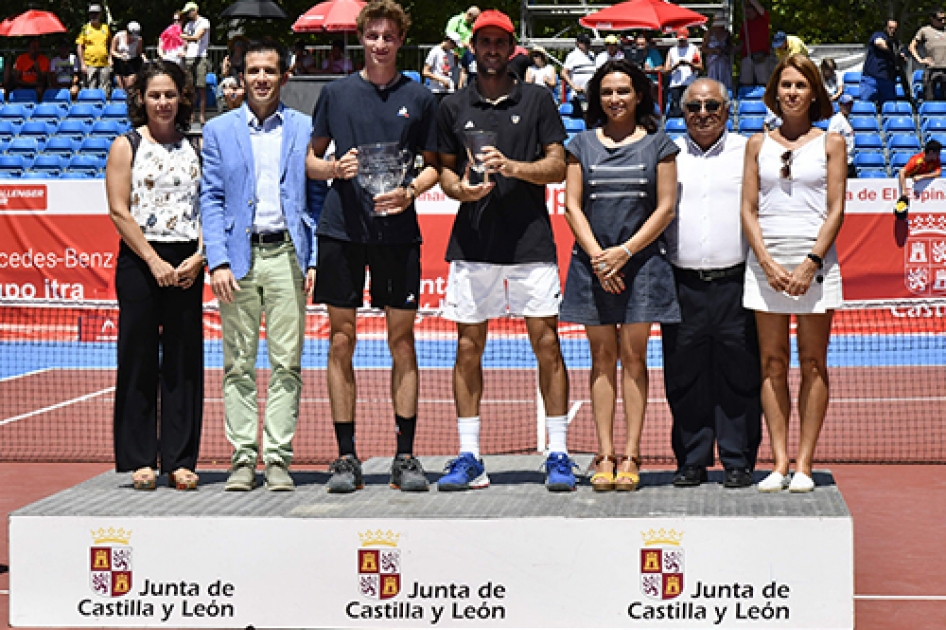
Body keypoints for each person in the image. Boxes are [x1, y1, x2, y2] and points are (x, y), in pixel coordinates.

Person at [435, 9, 575, 492]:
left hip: (531, 241)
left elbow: (557, 166)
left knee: (548, 346)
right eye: (484, 42)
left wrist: (513, 167)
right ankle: (470, 456)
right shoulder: (453, 105)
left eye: (500, 42)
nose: (491, 49)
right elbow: (446, 171)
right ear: (472, 48)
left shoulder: (537, 99)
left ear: (512, 47)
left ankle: (558, 453)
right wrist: (461, 191)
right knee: (468, 347)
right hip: (474, 242)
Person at [307, 0, 440, 494]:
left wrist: (411, 191)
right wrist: (333, 169)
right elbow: (311, 161)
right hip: (342, 231)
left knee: (401, 343)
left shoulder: (422, 98)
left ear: (400, 40)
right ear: (360, 38)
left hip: (397, 232)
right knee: (341, 341)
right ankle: (345, 457)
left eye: (388, 36)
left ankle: (405, 456)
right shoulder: (336, 94)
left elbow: (434, 165)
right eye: (372, 35)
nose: (380, 43)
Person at [201, 39, 325, 492]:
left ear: (284, 75)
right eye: (253, 70)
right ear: (240, 74)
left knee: (287, 364)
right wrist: (216, 259)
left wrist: (313, 256)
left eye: (269, 70)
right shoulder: (218, 131)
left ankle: (277, 459)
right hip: (236, 259)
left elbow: (317, 195)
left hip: (288, 256)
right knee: (237, 364)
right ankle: (241, 459)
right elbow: (211, 199)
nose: (261, 78)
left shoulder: (306, 127)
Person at [561, 60, 680, 492]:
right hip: (592, 266)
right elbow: (572, 206)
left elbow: (665, 208)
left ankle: (631, 454)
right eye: (607, 92)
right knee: (600, 360)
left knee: (633, 358)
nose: (615, 99)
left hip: (643, 267)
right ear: (597, 97)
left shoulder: (660, 145)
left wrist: (625, 253)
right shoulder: (579, 145)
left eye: (623, 91)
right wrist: (599, 258)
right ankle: (604, 453)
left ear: (639, 96)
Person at [741, 54, 845, 493]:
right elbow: (747, 209)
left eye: (801, 85)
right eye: (785, 85)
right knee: (772, 363)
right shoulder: (755, 145)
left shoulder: (831, 143)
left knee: (813, 363)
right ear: (774, 92)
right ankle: (779, 462)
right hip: (765, 262)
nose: (792, 93)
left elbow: (837, 208)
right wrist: (765, 261)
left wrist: (811, 263)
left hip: (814, 264)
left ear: (814, 93)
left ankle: (804, 464)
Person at [105, 60, 204, 492]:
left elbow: (209, 207)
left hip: (187, 263)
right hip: (140, 262)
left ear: (181, 97)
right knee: (139, 357)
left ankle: (181, 460)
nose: (162, 103)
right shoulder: (125, 145)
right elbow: (118, 210)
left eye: (169, 95)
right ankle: (140, 459)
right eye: (154, 95)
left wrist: (200, 255)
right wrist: (152, 260)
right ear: (141, 99)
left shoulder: (196, 145)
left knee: (183, 362)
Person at [663, 77, 761, 489]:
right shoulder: (666, 153)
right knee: (685, 378)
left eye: (712, 106)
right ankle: (692, 460)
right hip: (680, 283)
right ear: (683, 112)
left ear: (727, 109)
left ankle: (738, 460)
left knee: (740, 376)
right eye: (694, 107)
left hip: (736, 282)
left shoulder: (747, 152)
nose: (703, 114)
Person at [180, 1, 210, 125]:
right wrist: (183, 50)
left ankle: (202, 116)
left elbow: (196, 37)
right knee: (190, 89)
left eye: (189, 12)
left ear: (195, 10)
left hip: (200, 57)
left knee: (201, 88)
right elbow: (186, 43)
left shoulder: (204, 22)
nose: (187, 15)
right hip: (189, 58)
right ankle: (191, 115)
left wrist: (179, 35)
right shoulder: (188, 25)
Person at [895, 140, 942, 216]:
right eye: (937, 153)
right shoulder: (916, 160)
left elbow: (938, 173)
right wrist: (904, 190)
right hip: (909, 185)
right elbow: (901, 172)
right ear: (931, 152)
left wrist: (922, 176)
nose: (939, 155)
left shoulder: (935, 160)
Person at [859, 21, 901, 105]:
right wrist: (891, 50)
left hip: (887, 80)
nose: (892, 31)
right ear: (886, 28)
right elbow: (878, 42)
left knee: (890, 107)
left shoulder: (897, 43)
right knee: (865, 105)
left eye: (895, 29)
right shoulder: (879, 35)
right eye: (890, 28)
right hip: (871, 79)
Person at [910, 9, 946, 101]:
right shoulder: (925, 31)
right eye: (940, 19)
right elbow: (912, 47)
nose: (943, 21)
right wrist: (920, 60)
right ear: (932, 19)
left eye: (944, 19)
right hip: (931, 69)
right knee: (929, 97)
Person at [665, 29, 702, 117]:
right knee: (676, 109)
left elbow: (700, 67)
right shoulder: (672, 50)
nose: (681, 42)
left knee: (690, 109)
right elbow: (666, 70)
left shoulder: (693, 48)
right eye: (680, 40)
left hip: (690, 83)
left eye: (683, 40)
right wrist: (676, 66)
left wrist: (689, 64)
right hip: (676, 84)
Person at [738, 0, 773, 86]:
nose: (748, 13)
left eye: (750, 11)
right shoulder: (745, 24)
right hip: (747, 56)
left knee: (763, 80)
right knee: (746, 81)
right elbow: (742, 43)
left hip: (761, 55)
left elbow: (760, 8)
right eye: (746, 12)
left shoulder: (763, 20)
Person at [76, 4, 111, 90]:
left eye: (96, 13)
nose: (93, 16)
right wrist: (82, 64)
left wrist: (110, 58)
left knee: (105, 89)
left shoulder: (105, 28)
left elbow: (111, 44)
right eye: (91, 14)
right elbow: (80, 46)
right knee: (90, 88)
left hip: (104, 64)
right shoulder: (85, 28)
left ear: (100, 14)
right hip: (90, 64)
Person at [562, 32, 596, 113]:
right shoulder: (572, 55)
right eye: (585, 43)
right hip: (578, 93)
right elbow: (564, 73)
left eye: (588, 43)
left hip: (590, 92)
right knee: (581, 113)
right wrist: (574, 86)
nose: (587, 45)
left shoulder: (592, 55)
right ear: (578, 43)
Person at [423, 32, 459, 101]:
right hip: (437, 90)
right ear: (449, 41)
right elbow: (425, 72)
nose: (454, 48)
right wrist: (441, 80)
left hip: (449, 90)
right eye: (454, 45)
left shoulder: (451, 54)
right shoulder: (435, 51)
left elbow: (451, 70)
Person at [111, 22, 145, 91]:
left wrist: (144, 58)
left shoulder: (139, 40)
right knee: (121, 87)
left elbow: (139, 53)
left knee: (130, 84)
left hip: (132, 62)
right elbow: (112, 51)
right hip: (120, 62)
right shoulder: (118, 36)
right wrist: (120, 56)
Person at [828, 93, 855, 178]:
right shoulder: (837, 120)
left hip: (849, 161)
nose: (848, 107)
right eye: (846, 104)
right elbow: (831, 140)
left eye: (850, 104)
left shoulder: (847, 120)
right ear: (840, 105)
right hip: (841, 162)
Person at [703, 15, 734, 91]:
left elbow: (730, 47)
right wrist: (713, 50)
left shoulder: (727, 33)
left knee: (725, 83)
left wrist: (725, 50)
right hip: (713, 62)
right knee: (713, 82)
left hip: (724, 61)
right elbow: (703, 48)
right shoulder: (709, 33)